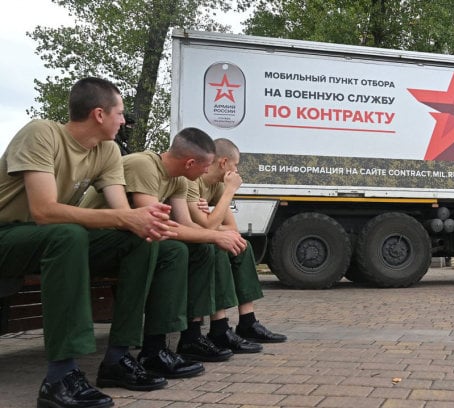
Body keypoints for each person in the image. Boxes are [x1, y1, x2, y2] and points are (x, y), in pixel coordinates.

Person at [0, 77, 178, 408]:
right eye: (120, 113)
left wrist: (146, 221)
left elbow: (124, 216)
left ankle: (118, 359)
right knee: (68, 232)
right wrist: (128, 219)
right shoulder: (41, 133)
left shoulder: (107, 150)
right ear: (99, 114)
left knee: (142, 241)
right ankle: (60, 377)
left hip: (51, 240)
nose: (124, 120)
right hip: (8, 236)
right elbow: (43, 211)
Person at [116, 128, 251, 370]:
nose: (205, 173)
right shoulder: (144, 165)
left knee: (200, 249)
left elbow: (185, 226)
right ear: (190, 163)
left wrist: (211, 237)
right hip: (105, 236)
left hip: (135, 239)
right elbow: (156, 226)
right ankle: (152, 349)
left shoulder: (179, 178)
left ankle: (191, 338)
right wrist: (214, 235)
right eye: (205, 166)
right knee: (175, 251)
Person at [186, 138, 287, 352]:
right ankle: (219, 328)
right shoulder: (194, 181)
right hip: (187, 240)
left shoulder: (217, 185)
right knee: (218, 246)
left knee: (242, 245)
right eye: (236, 164)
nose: (237, 170)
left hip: (202, 234)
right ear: (224, 163)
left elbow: (230, 227)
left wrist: (212, 217)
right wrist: (229, 193)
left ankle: (247, 321)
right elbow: (208, 228)